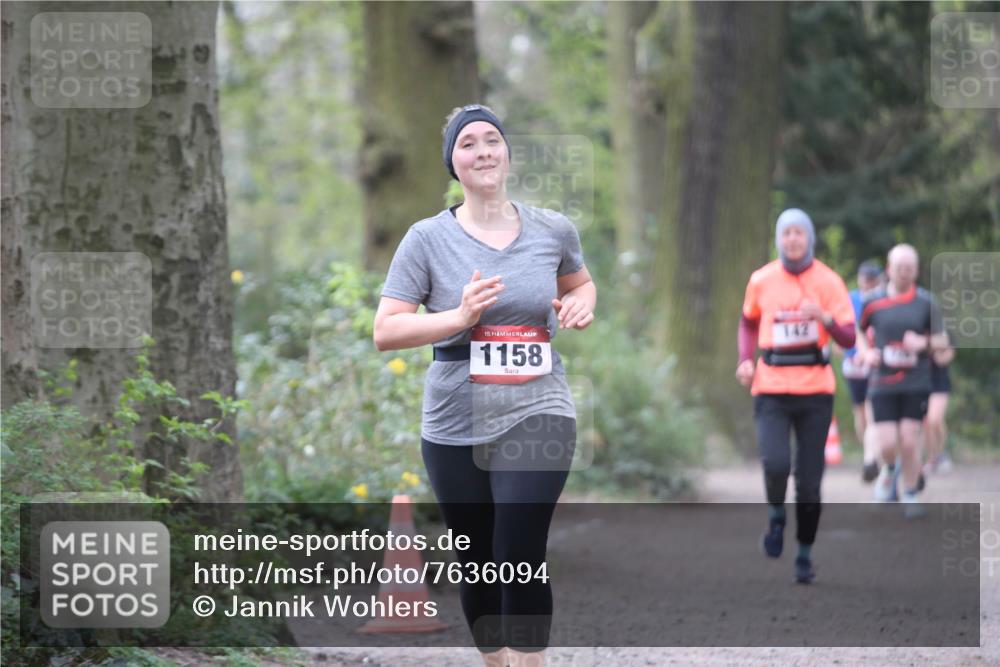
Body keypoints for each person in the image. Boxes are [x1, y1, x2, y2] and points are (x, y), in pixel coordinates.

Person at [373, 104, 597, 667]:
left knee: (518, 550)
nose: (482, 151)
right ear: (453, 162)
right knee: (477, 559)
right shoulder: (425, 239)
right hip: (455, 418)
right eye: (467, 143)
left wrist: (577, 305)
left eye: (491, 139)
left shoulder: (552, 229)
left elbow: (582, 283)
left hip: (539, 405)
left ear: (507, 152)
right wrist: (456, 317)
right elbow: (386, 329)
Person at [736, 208, 856, 584]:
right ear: (778, 238)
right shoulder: (762, 279)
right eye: (786, 233)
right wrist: (745, 359)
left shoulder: (829, 282)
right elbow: (748, 322)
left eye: (798, 233)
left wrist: (825, 318)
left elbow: (849, 338)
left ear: (809, 238)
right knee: (774, 465)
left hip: (815, 392)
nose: (792, 239)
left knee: (808, 482)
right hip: (770, 388)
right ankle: (775, 516)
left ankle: (804, 553)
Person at [856, 244, 948, 518]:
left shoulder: (926, 302)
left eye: (910, 268)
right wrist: (865, 352)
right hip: (882, 382)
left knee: (909, 440)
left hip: (915, 382)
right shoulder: (872, 302)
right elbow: (858, 332)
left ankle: (910, 492)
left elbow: (944, 339)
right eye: (900, 268)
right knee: (885, 444)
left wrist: (924, 341)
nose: (905, 273)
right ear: (889, 269)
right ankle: (889, 470)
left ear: (917, 270)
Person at [842, 261, 884, 482]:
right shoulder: (851, 299)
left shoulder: (882, 298)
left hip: (874, 364)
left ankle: (872, 459)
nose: (868, 283)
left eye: (872, 279)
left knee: (872, 412)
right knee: (861, 414)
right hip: (853, 364)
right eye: (864, 279)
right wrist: (849, 353)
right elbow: (844, 330)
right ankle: (869, 453)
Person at [924, 336, 955, 474]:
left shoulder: (946, 333)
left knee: (934, 420)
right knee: (926, 423)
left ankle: (941, 453)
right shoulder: (917, 327)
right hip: (919, 383)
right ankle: (931, 458)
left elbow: (943, 359)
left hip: (939, 384)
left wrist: (932, 347)